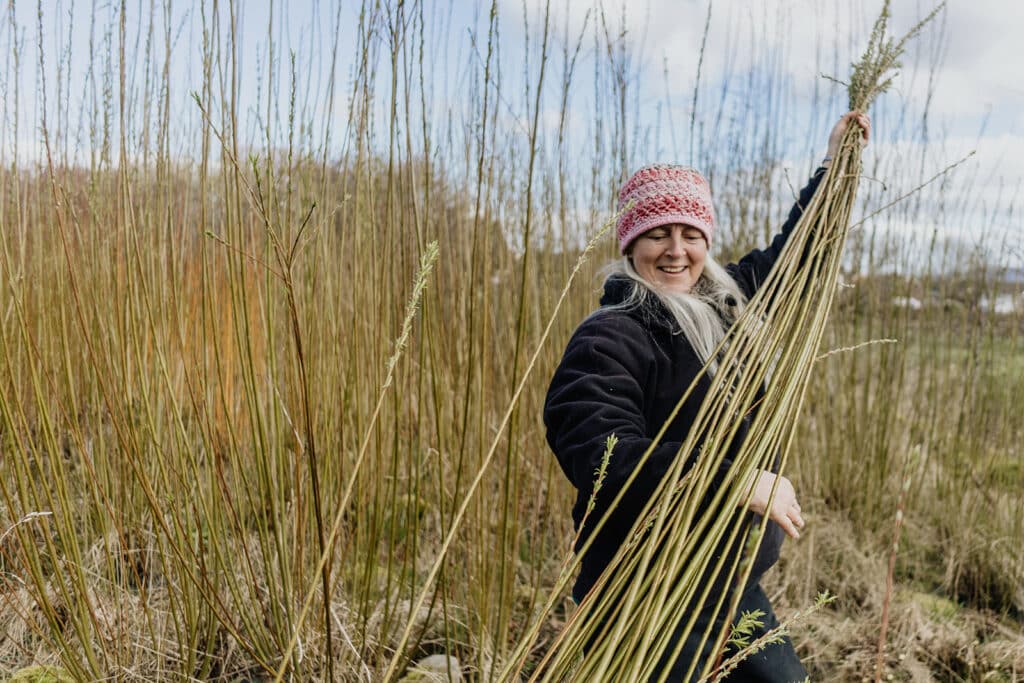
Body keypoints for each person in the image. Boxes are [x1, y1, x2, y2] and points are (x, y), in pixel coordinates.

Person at [544, 111, 870, 681]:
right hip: (641, 587)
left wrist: (834, 163)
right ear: (630, 244)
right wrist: (730, 478)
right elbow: (601, 453)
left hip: (722, 580)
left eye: (690, 234)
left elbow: (799, 257)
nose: (676, 251)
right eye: (657, 234)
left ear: (706, 242)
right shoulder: (611, 333)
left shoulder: (726, 305)